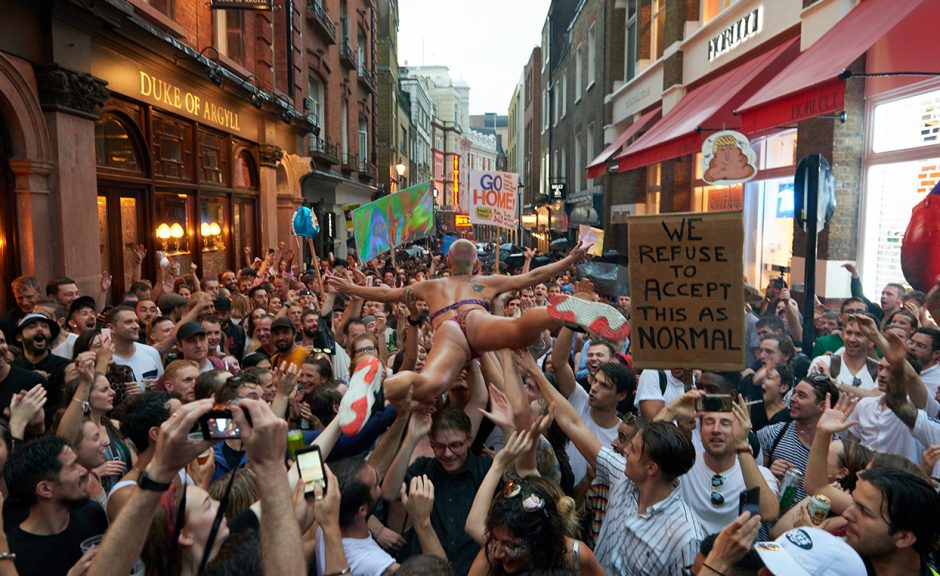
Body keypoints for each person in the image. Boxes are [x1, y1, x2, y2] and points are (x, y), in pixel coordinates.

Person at [328, 239, 629, 435]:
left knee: (428, 384)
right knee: (520, 328)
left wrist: (350, 289)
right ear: (475, 264)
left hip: (448, 327)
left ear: (447, 262)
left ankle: (375, 388)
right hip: (476, 317)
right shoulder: (486, 281)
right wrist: (568, 260)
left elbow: (386, 294)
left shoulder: (431, 285)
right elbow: (534, 277)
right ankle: (557, 313)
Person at [382, 408, 491, 576]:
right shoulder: (424, 469)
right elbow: (389, 492)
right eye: (439, 446)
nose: (447, 453)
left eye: (455, 445)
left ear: (469, 440)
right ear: (431, 442)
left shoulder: (486, 470)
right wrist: (411, 439)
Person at [657, 391, 779, 534]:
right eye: (709, 422)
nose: (716, 430)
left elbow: (768, 513)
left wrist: (741, 444)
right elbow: (645, 454)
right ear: (700, 432)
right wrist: (669, 411)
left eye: (725, 423)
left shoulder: (759, 474)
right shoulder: (684, 465)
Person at [4, 435, 108, 576]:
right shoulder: (13, 555)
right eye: (73, 466)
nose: (84, 471)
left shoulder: (92, 513)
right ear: (45, 489)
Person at [757, 375, 839, 505]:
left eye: (801, 396)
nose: (792, 398)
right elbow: (749, 478)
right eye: (794, 392)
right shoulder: (772, 433)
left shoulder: (837, 451)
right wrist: (767, 473)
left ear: (822, 406)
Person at [809, 314, 879, 390]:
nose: (851, 339)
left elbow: (877, 395)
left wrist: (832, 382)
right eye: (849, 333)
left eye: (859, 334)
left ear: (872, 341)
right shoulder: (824, 363)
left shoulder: (879, 371)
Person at [106, 305, 164, 384]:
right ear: (111, 328)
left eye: (136, 321)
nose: (136, 326)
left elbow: (162, 386)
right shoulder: (104, 358)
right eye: (128, 322)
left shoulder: (151, 352)